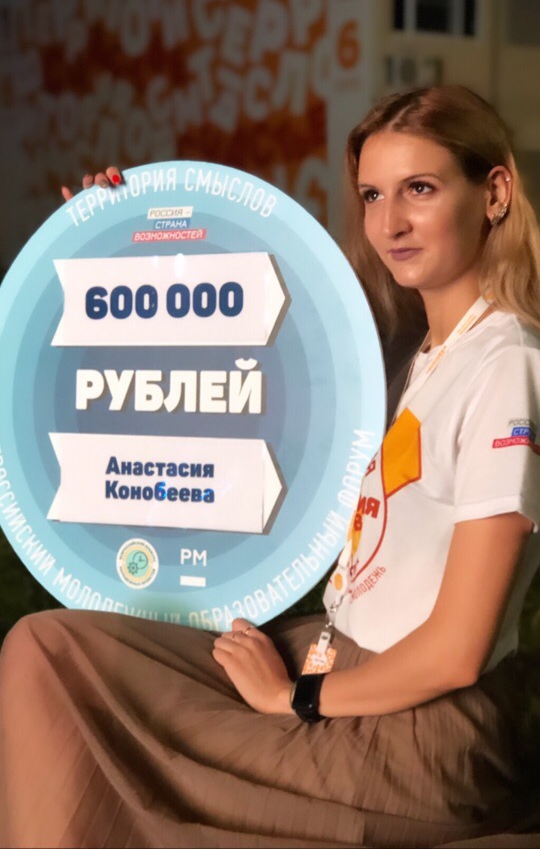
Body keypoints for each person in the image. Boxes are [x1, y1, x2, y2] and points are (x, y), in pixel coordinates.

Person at [1, 85, 540, 849]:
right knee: (46, 650)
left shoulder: (508, 364)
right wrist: (114, 239)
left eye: (420, 189)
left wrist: (297, 699)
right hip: (331, 652)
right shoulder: (415, 357)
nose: (389, 223)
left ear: (494, 193)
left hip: (419, 729)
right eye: (373, 195)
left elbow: (457, 652)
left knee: (102, 738)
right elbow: (214, 361)